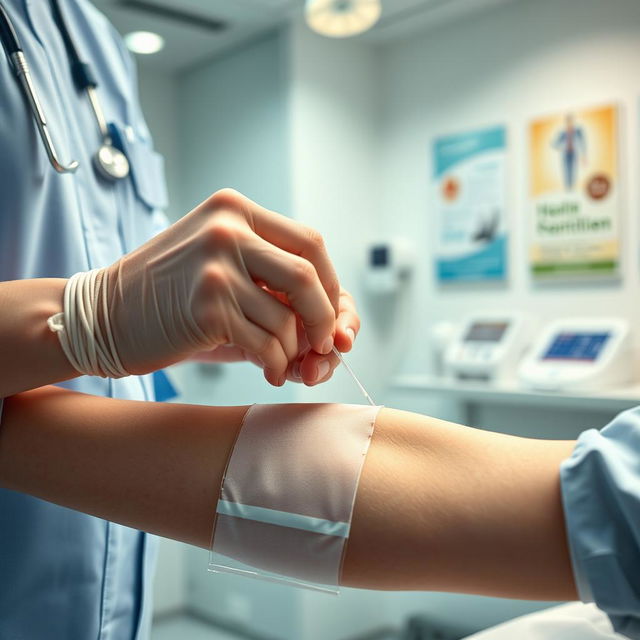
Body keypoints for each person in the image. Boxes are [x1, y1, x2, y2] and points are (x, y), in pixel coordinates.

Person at [0, 0, 360, 637]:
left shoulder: (97, 42)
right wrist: (90, 317)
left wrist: (197, 332)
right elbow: (96, 315)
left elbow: (105, 312)